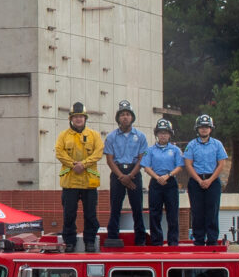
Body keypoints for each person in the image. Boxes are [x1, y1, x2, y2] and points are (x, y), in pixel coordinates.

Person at [55, 102, 105, 252]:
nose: (78, 119)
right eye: (75, 117)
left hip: (89, 183)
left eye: (81, 117)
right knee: (69, 214)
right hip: (70, 183)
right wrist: (72, 164)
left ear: (85, 118)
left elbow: (98, 152)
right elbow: (59, 152)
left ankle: (89, 241)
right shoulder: (63, 136)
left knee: (90, 215)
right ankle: (69, 242)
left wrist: (83, 164)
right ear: (71, 119)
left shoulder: (94, 135)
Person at [101, 101, 148, 247]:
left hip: (134, 173)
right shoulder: (111, 137)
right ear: (118, 118)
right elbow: (109, 160)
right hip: (117, 173)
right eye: (122, 115)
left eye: (128, 114)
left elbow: (142, 159)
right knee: (115, 207)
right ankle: (113, 237)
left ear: (132, 117)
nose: (125, 117)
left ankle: (140, 240)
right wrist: (121, 176)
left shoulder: (140, 136)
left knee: (137, 208)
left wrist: (130, 176)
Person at [182, 115, 230, 246]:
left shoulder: (217, 144)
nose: (204, 129)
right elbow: (188, 164)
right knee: (197, 211)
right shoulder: (191, 145)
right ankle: (198, 240)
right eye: (201, 127)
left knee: (212, 210)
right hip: (196, 181)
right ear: (197, 129)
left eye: (206, 127)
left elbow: (221, 164)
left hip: (212, 180)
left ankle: (212, 239)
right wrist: (199, 180)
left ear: (211, 129)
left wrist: (210, 180)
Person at [141, 120, 184, 246]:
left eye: (166, 133)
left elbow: (180, 166)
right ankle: (156, 241)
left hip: (170, 182)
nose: (163, 135)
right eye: (160, 133)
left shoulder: (175, 150)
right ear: (157, 134)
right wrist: (157, 177)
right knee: (155, 213)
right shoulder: (150, 150)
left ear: (170, 135)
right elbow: (146, 166)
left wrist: (168, 175)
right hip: (155, 183)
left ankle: (173, 241)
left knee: (172, 213)